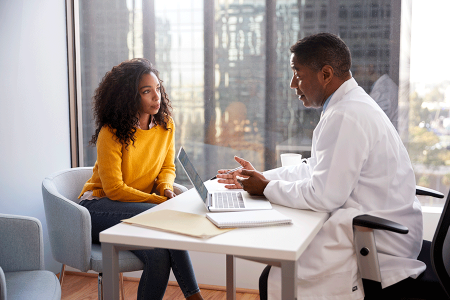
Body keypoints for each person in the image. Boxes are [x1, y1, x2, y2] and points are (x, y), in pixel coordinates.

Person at [217, 33, 425, 300]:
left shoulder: (346, 114)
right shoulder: (348, 105)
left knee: (277, 276)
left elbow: (325, 195)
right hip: (382, 226)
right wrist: (259, 177)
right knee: (279, 264)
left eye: (298, 74)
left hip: (378, 241)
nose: (293, 84)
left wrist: (266, 188)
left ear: (325, 74)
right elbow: (313, 168)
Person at [78, 58, 203, 300]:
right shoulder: (111, 132)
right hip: (97, 209)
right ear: (128, 97)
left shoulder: (165, 125)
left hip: (139, 209)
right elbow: (114, 189)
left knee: (158, 255)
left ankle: (193, 296)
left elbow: (167, 167)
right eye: (147, 92)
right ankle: (195, 297)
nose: (156, 97)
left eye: (157, 89)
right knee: (168, 219)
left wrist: (165, 188)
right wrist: (158, 203)